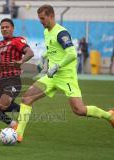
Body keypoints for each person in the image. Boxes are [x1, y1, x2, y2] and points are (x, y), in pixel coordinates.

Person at [15, 5, 114, 143]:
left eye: (43, 18)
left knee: (79, 110)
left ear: (51, 16)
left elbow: (72, 54)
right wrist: (42, 60)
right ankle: (18, 134)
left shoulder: (61, 33)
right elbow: (52, 50)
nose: (41, 21)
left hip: (67, 77)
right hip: (52, 76)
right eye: (39, 19)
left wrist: (56, 66)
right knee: (27, 98)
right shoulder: (46, 32)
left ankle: (109, 116)